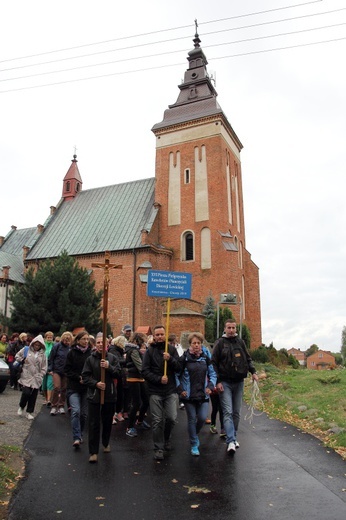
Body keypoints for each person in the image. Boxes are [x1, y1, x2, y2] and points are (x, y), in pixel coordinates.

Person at [212, 319, 258, 454]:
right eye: (229, 328)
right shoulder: (220, 343)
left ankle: (234, 436)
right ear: (224, 329)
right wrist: (218, 381)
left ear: (236, 329)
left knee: (236, 413)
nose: (231, 330)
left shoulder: (240, 342)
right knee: (227, 411)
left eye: (233, 328)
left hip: (239, 381)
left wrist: (253, 372)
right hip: (225, 382)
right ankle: (230, 441)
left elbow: (248, 359)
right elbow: (213, 363)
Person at [142, 324, 181, 460]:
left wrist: (170, 359)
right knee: (157, 420)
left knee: (171, 417)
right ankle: (158, 447)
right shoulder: (149, 351)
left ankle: (166, 438)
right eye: (157, 335)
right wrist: (159, 379)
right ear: (154, 336)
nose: (159, 337)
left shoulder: (170, 350)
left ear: (165, 335)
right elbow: (145, 371)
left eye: (162, 334)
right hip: (155, 391)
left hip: (170, 390)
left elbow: (179, 368)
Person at [82, 333, 121, 463]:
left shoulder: (113, 358)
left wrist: (109, 367)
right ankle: (93, 452)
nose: (100, 345)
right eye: (98, 343)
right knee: (93, 423)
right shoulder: (90, 359)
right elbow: (85, 377)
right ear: (95, 344)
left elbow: (119, 373)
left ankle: (105, 442)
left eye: (103, 343)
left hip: (109, 395)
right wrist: (96, 384)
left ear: (107, 345)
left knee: (107, 421)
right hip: (95, 396)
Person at [177, 332, 217, 456]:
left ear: (201, 344)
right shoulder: (184, 358)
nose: (196, 345)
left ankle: (194, 433)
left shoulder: (205, 357)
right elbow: (177, 375)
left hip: (203, 394)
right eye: (194, 343)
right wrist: (181, 389)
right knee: (191, 419)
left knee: (202, 418)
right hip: (188, 394)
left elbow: (213, 374)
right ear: (190, 344)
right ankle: (194, 443)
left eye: (198, 343)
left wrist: (210, 386)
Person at [65, 330, 92, 448]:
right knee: (76, 411)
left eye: (87, 339)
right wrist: (78, 377)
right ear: (78, 340)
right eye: (83, 339)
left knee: (84, 414)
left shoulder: (91, 353)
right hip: (74, 387)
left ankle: (80, 433)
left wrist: (88, 379)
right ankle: (76, 436)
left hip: (86, 388)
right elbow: (67, 370)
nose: (86, 341)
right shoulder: (72, 353)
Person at [124, 332, 150, 437]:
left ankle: (139, 420)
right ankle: (129, 427)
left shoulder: (135, 350)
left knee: (146, 401)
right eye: (143, 341)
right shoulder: (133, 351)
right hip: (133, 378)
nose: (144, 343)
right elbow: (140, 365)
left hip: (139, 378)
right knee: (136, 403)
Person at [16, 334, 47, 420]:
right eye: (35, 344)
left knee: (33, 395)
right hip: (26, 374)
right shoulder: (26, 350)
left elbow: (44, 367)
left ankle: (29, 412)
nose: (37, 346)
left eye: (38, 345)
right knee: (26, 392)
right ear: (33, 344)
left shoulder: (43, 355)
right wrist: (22, 360)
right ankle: (22, 406)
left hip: (37, 377)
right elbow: (17, 356)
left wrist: (41, 375)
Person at [48, 331, 73, 415]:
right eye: (65, 340)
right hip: (57, 370)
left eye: (68, 340)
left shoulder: (71, 348)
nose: (67, 342)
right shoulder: (57, 346)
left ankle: (61, 405)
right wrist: (50, 369)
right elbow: (51, 358)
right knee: (57, 387)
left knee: (64, 388)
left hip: (66, 371)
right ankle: (54, 405)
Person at [108, 335, 127, 423]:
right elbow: (116, 362)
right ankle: (112, 414)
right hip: (114, 375)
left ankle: (118, 412)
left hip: (120, 375)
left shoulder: (119, 351)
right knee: (114, 395)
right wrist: (125, 359)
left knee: (121, 394)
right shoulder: (113, 350)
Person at [42, 331, 54, 406]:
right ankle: (46, 398)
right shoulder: (43, 346)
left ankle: (49, 400)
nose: (49, 339)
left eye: (51, 337)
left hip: (51, 368)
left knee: (49, 384)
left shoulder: (54, 346)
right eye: (48, 337)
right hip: (43, 368)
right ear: (45, 338)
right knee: (43, 385)